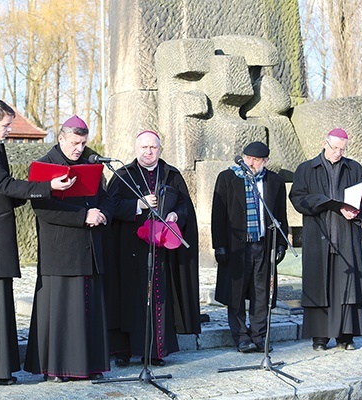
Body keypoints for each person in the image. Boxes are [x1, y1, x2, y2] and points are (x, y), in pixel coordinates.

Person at [0, 99, 74, 386]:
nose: (10, 130)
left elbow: (5, 189)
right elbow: (4, 185)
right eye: (7, 125)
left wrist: (41, 188)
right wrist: (46, 187)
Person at [23, 115, 114, 382]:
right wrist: (82, 216)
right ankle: (57, 368)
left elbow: (107, 197)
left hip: (90, 249)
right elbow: (42, 208)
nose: (79, 148)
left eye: (83, 143)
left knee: (89, 310)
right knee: (61, 311)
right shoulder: (45, 164)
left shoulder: (90, 161)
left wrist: (102, 214)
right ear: (61, 138)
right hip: (60, 250)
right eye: (75, 142)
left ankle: (89, 365)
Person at [104, 130, 200, 367]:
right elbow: (110, 206)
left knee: (159, 299)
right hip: (129, 249)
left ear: (160, 149)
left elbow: (185, 206)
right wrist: (138, 204)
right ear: (136, 150)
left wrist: (177, 215)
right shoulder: (123, 175)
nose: (149, 152)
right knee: (128, 299)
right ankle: (124, 351)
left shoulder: (171, 175)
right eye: (144, 148)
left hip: (162, 250)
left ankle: (157, 350)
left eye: (153, 148)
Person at [289, 128, 362, 351]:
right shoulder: (306, 169)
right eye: (335, 148)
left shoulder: (354, 168)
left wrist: (357, 212)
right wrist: (327, 202)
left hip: (346, 235)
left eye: (342, 149)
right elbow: (298, 198)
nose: (338, 153)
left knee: (345, 287)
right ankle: (319, 337)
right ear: (325, 143)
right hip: (319, 236)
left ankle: (345, 337)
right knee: (320, 286)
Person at [211, 141, 288, 353]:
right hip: (236, 246)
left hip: (262, 245)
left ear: (265, 161)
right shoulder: (227, 178)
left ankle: (259, 335)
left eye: (255, 160)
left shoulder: (275, 181)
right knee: (235, 292)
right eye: (247, 158)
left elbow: (280, 214)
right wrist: (219, 245)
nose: (250, 163)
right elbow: (218, 214)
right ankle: (241, 336)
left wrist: (280, 243)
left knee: (261, 293)